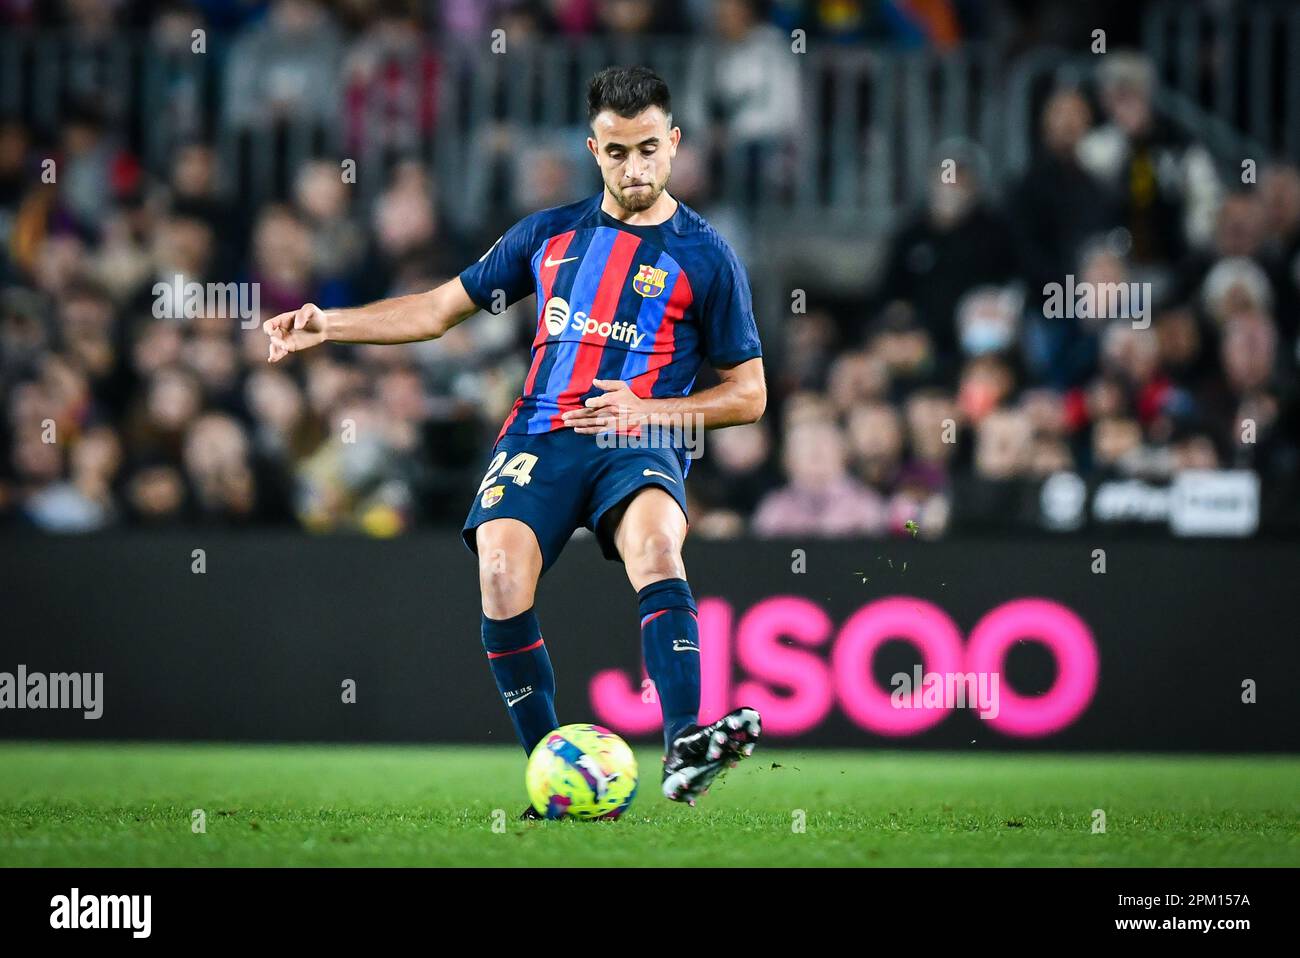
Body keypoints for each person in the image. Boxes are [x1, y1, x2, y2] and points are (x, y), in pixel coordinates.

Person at [263, 66, 767, 816]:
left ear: (675, 145)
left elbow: (750, 395)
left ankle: (686, 743)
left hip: (639, 436)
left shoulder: (707, 255)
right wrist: (328, 324)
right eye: (618, 151)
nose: (636, 168)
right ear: (593, 148)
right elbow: (438, 311)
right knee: (500, 576)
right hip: (540, 433)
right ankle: (554, 775)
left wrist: (651, 413)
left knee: (658, 550)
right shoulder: (548, 235)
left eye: (650, 150)